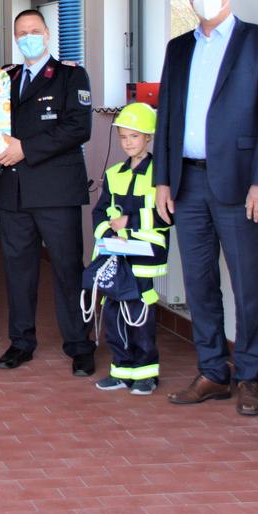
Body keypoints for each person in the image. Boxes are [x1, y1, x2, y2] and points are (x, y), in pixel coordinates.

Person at [153, 0, 258, 415]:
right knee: (198, 282)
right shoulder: (178, 48)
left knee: (249, 284)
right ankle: (212, 370)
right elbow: (166, 117)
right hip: (187, 181)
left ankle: (249, 376)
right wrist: (163, 180)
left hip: (240, 183)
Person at [0, 9, 96, 375]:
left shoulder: (70, 75)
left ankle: (80, 344)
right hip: (14, 192)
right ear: (16, 38)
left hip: (56, 191)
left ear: (47, 35)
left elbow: (78, 128)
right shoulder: (7, 77)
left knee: (67, 269)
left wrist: (26, 149)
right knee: (19, 271)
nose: (28, 37)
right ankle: (21, 342)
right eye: (22, 32)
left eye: (35, 31)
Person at [87, 102, 169, 395]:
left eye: (134, 136)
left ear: (148, 137)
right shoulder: (113, 173)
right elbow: (99, 213)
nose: (128, 143)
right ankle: (121, 369)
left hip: (145, 255)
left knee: (138, 312)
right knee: (113, 311)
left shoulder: (160, 174)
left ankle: (146, 373)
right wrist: (108, 232)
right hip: (115, 255)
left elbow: (166, 214)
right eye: (123, 137)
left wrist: (129, 223)